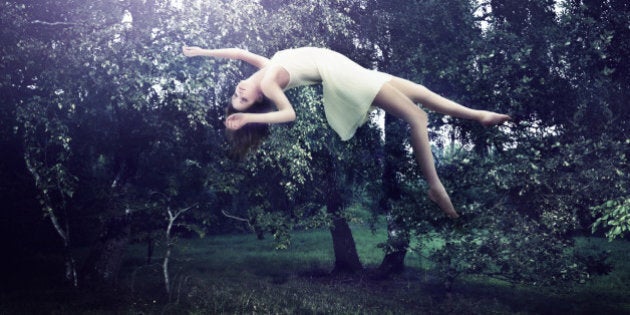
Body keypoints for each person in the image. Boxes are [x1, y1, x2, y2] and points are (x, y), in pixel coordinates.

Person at [182, 46, 510, 219]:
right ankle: (435, 187)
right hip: (343, 78)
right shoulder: (268, 84)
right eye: (243, 99)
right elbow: (289, 113)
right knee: (417, 117)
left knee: (420, 93)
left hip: (345, 68)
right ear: (256, 100)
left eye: (235, 96)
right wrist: (250, 121)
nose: (239, 92)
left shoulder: (265, 68)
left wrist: (201, 53)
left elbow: (239, 52)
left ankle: (478, 116)